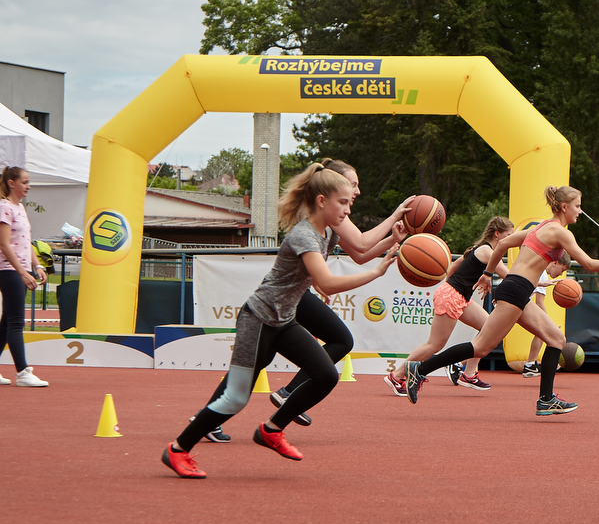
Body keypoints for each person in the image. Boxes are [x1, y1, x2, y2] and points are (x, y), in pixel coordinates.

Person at [162, 164, 398, 478]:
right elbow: (327, 283)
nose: (348, 209)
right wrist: (377, 272)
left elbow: (336, 265)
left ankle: (272, 430)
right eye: (343, 202)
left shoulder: (325, 234)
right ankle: (178, 449)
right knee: (235, 398)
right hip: (259, 320)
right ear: (322, 201)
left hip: (283, 320)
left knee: (326, 375)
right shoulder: (303, 234)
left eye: (348, 203)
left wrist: (392, 243)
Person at [201, 158, 411, 443]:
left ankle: (217, 418)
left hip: (290, 300)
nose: (357, 192)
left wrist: (392, 241)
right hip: (276, 302)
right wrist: (395, 215)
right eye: (353, 184)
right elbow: (361, 244)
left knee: (263, 359)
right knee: (338, 341)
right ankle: (284, 396)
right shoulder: (320, 223)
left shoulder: (332, 221)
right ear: (328, 192)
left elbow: (359, 255)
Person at [400, 186, 599, 415]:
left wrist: (488, 274)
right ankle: (419, 370)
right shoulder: (559, 232)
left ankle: (546, 399)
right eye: (578, 206)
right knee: (481, 347)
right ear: (564, 207)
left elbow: (504, 243)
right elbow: (589, 264)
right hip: (515, 291)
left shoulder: (540, 227)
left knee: (556, 339)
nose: (580, 211)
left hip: (517, 289)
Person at [384, 216, 515, 395]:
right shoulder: (487, 251)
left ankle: (468, 374)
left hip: (457, 295)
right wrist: (535, 282)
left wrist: (448, 285)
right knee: (434, 344)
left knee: (489, 328)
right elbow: (509, 277)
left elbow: (453, 266)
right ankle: (397, 375)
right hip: (453, 295)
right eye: (509, 235)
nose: (511, 239)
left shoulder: (478, 248)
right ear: (497, 234)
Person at [0, 166, 48, 387]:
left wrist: (37, 265)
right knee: (16, 321)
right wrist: (21, 272)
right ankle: (22, 372)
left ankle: (20, 371)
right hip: (9, 270)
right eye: (25, 182)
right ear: (12, 183)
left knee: (6, 322)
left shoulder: (20, 208)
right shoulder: (4, 207)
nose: (28, 186)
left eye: (29, 182)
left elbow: (25, 241)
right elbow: (4, 244)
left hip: (21, 269)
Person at [521, 251, 572, 377]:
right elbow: (539, 302)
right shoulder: (543, 275)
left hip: (515, 304)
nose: (561, 273)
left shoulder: (539, 269)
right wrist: (548, 322)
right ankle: (530, 365)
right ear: (555, 263)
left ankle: (530, 365)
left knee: (487, 339)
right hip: (514, 305)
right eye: (562, 269)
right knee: (487, 340)